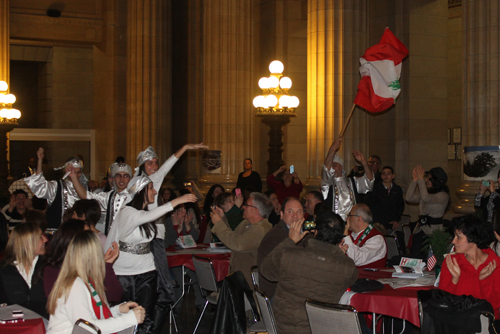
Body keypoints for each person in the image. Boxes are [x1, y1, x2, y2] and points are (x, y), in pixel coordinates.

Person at [106, 175, 196, 333]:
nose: (155, 192)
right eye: (151, 188)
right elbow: (145, 217)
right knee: (125, 318)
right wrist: (176, 201)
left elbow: (153, 225)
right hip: (123, 274)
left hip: (147, 272)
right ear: (140, 191)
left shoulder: (146, 213)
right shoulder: (127, 212)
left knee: (146, 316)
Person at [260, 211, 358, 334]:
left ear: (315, 232)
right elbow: (350, 279)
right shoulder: (347, 266)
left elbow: (266, 271)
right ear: (340, 238)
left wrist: (290, 240)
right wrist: (338, 255)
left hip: (284, 326)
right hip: (321, 328)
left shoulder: (290, 255)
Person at [46, 231, 145, 334]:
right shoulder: (75, 285)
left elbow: (92, 317)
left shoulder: (85, 279)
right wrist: (129, 319)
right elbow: (88, 327)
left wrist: (117, 310)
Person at [43, 219, 123, 305]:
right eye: (87, 236)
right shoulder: (53, 271)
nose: (92, 239)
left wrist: (106, 265)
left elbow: (115, 296)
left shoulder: (90, 266)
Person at [439, 214, 500, 319]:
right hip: (455, 321)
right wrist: (454, 280)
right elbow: (442, 302)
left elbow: (493, 305)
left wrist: (482, 281)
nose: (453, 241)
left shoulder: (494, 264)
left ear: (473, 238)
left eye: (458, 237)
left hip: (484, 322)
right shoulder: (452, 261)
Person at [210, 192, 273, 287]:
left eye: (247, 205)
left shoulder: (261, 229)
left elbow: (238, 244)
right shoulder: (245, 224)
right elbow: (231, 241)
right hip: (238, 280)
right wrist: (223, 219)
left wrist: (219, 224)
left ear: (255, 211)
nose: (243, 207)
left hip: (249, 284)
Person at [24, 148, 86, 231]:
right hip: (57, 234)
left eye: (78, 172)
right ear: (66, 170)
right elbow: (39, 185)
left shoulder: (84, 190)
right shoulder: (56, 186)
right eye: (73, 171)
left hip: (77, 233)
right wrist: (40, 161)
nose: (75, 175)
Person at [257, 197, 307, 298]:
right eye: (290, 211)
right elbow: (288, 271)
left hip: (294, 291)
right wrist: (291, 241)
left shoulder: (306, 234)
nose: (295, 216)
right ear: (282, 215)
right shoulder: (274, 237)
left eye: (299, 211)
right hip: (278, 297)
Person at [0, 222, 49, 318]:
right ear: (27, 242)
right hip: (14, 326)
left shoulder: (49, 267)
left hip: (46, 325)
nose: (45, 240)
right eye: (40, 237)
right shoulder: (4, 269)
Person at [71, 163, 134, 236]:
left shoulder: (136, 196)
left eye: (125, 176)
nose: (121, 179)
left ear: (130, 178)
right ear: (114, 178)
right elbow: (85, 196)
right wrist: (73, 177)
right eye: (118, 176)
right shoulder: (109, 197)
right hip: (111, 241)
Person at [320, 138, 374, 221]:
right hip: (334, 224)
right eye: (331, 165)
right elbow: (326, 170)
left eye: (335, 165)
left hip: (352, 223)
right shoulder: (327, 184)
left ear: (342, 167)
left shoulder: (353, 181)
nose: (332, 167)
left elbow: (369, 182)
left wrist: (363, 162)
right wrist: (332, 149)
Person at [406, 165, 449, 257]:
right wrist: (415, 181)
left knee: (430, 258)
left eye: (429, 179)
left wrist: (421, 180)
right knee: (415, 256)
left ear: (436, 181)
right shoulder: (427, 192)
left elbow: (426, 198)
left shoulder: (443, 195)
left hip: (434, 232)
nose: (426, 181)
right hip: (420, 230)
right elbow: (409, 198)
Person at [341, 204, 387, 268]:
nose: (347, 219)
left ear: (359, 219)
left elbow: (356, 259)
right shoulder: (349, 234)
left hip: (369, 277)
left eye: (349, 215)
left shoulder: (377, 239)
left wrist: (345, 235)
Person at [366, 166, 405, 232]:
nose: (386, 176)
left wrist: (396, 220)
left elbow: (400, 206)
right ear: (381, 176)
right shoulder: (375, 189)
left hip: (392, 223)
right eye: (384, 173)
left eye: (388, 173)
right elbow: (371, 205)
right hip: (378, 223)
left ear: (393, 176)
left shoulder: (397, 189)